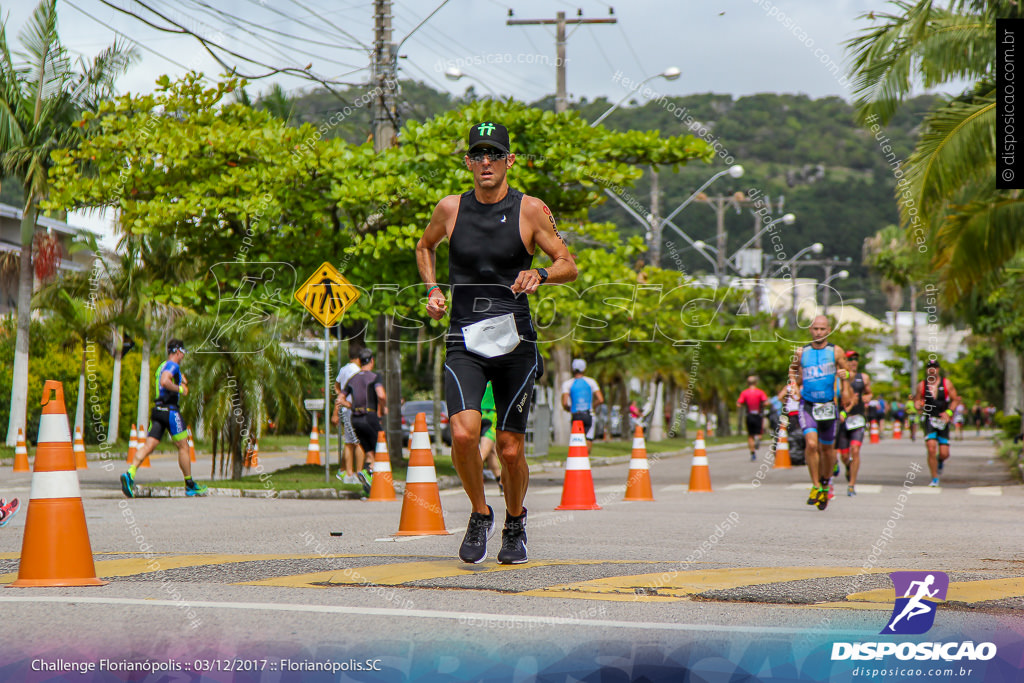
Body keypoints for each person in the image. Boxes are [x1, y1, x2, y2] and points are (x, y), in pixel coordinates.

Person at [415, 121, 577, 564]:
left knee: (509, 447)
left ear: (509, 161)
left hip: (515, 341)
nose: (485, 162)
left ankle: (515, 520)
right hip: (463, 337)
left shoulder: (530, 210)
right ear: (467, 162)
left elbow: (569, 264)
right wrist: (431, 288)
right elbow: (424, 246)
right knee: (464, 435)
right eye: (477, 155)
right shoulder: (450, 209)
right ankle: (480, 513)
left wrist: (541, 273)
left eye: (494, 155)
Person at [121, 339, 207, 498]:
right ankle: (190, 485)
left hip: (158, 411)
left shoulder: (163, 365)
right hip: (170, 411)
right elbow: (165, 381)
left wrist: (181, 379)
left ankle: (130, 473)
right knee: (183, 447)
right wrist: (180, 388)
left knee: (149, 446)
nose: (182, 357)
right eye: (182, 353)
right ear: (178, 351)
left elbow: (166, 377)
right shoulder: (173, 366)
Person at [788, 315, 852, 511]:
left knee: (827, 451)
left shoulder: (835, 351)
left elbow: (848, 371)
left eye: (822, 329)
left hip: (828, 406)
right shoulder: (802, 352)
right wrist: (793, 385)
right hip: (807, 404)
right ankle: (815, 485)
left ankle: (825, 483)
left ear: (828, 330)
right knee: (811, 444)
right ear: (810, 330)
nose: (818, 332)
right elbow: (792, 370)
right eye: (815, 329)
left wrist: (845, 376)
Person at [337, 349, 385, 497]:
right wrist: (382, 409)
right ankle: (370, 474)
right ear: (371, 361)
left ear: (359, 361)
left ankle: (367, 477)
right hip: (370, 417)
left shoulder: (353, 379)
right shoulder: (375, 377)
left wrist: (351, 406)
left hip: (355, 420)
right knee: (381, 448)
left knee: (369, 452)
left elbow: (340, 399)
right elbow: (381, 395)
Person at [914, 358, 962, 487]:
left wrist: (949, 412)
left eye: (935, 367)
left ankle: (940, 461)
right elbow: (917, 401)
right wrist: (918, 405)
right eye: (930, 367)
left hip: (943, 420)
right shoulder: (922, 385)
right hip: (929, 419)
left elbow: (955, 399)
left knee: (944, 453)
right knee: (931, 448)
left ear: (938, 369)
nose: (932, 369)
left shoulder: (947, 383)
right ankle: (934, 477)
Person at [836, 350, 872, 496]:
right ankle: (848, 468)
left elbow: (869, 392)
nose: (853, 362)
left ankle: (851, 485)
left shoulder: (863, 378)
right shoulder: (838, 378)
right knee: (844, 457)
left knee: (855, 451)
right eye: (850, 359)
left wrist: (867, 397)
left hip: (857, 418)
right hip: (842, 420)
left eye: (856, 359)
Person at [332, 346, 368, 487]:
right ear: (359, 359)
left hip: (345, 410)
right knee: (359, 442)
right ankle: (359, 473)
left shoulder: (344, 369)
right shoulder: (359, 372)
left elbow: (336, 386)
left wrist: (341, 396)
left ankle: (348, 474)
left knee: (348, 443)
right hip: (356, 408)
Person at [561, 359, 604, 454]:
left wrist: (569, 409)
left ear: (573, 369)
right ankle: (585, 460)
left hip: (575, 415)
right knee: (588, 438)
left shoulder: (568, 384)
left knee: (577, 439)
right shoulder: (591, 382)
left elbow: (564, 403)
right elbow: (600, 399)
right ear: (584, 369)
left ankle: (577, 459)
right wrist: (593, 406)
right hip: (589, 414)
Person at [736, 375, 768, 461]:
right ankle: (758, 439)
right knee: (759, 433)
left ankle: (753, 453)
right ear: (756, 383)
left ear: (747, 383)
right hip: (758, 415)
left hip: (749, 415)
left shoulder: (744, 393)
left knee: (750, 435)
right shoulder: (760, 392)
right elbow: (766, 402)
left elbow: (739, 403)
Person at [478, 381, 503, 491]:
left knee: (491, 451)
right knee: (483, 453)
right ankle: (473, 476)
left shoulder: (478, 375)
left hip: (477, 413)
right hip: (491, 414)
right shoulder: (497, 377)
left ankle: (500, 481)